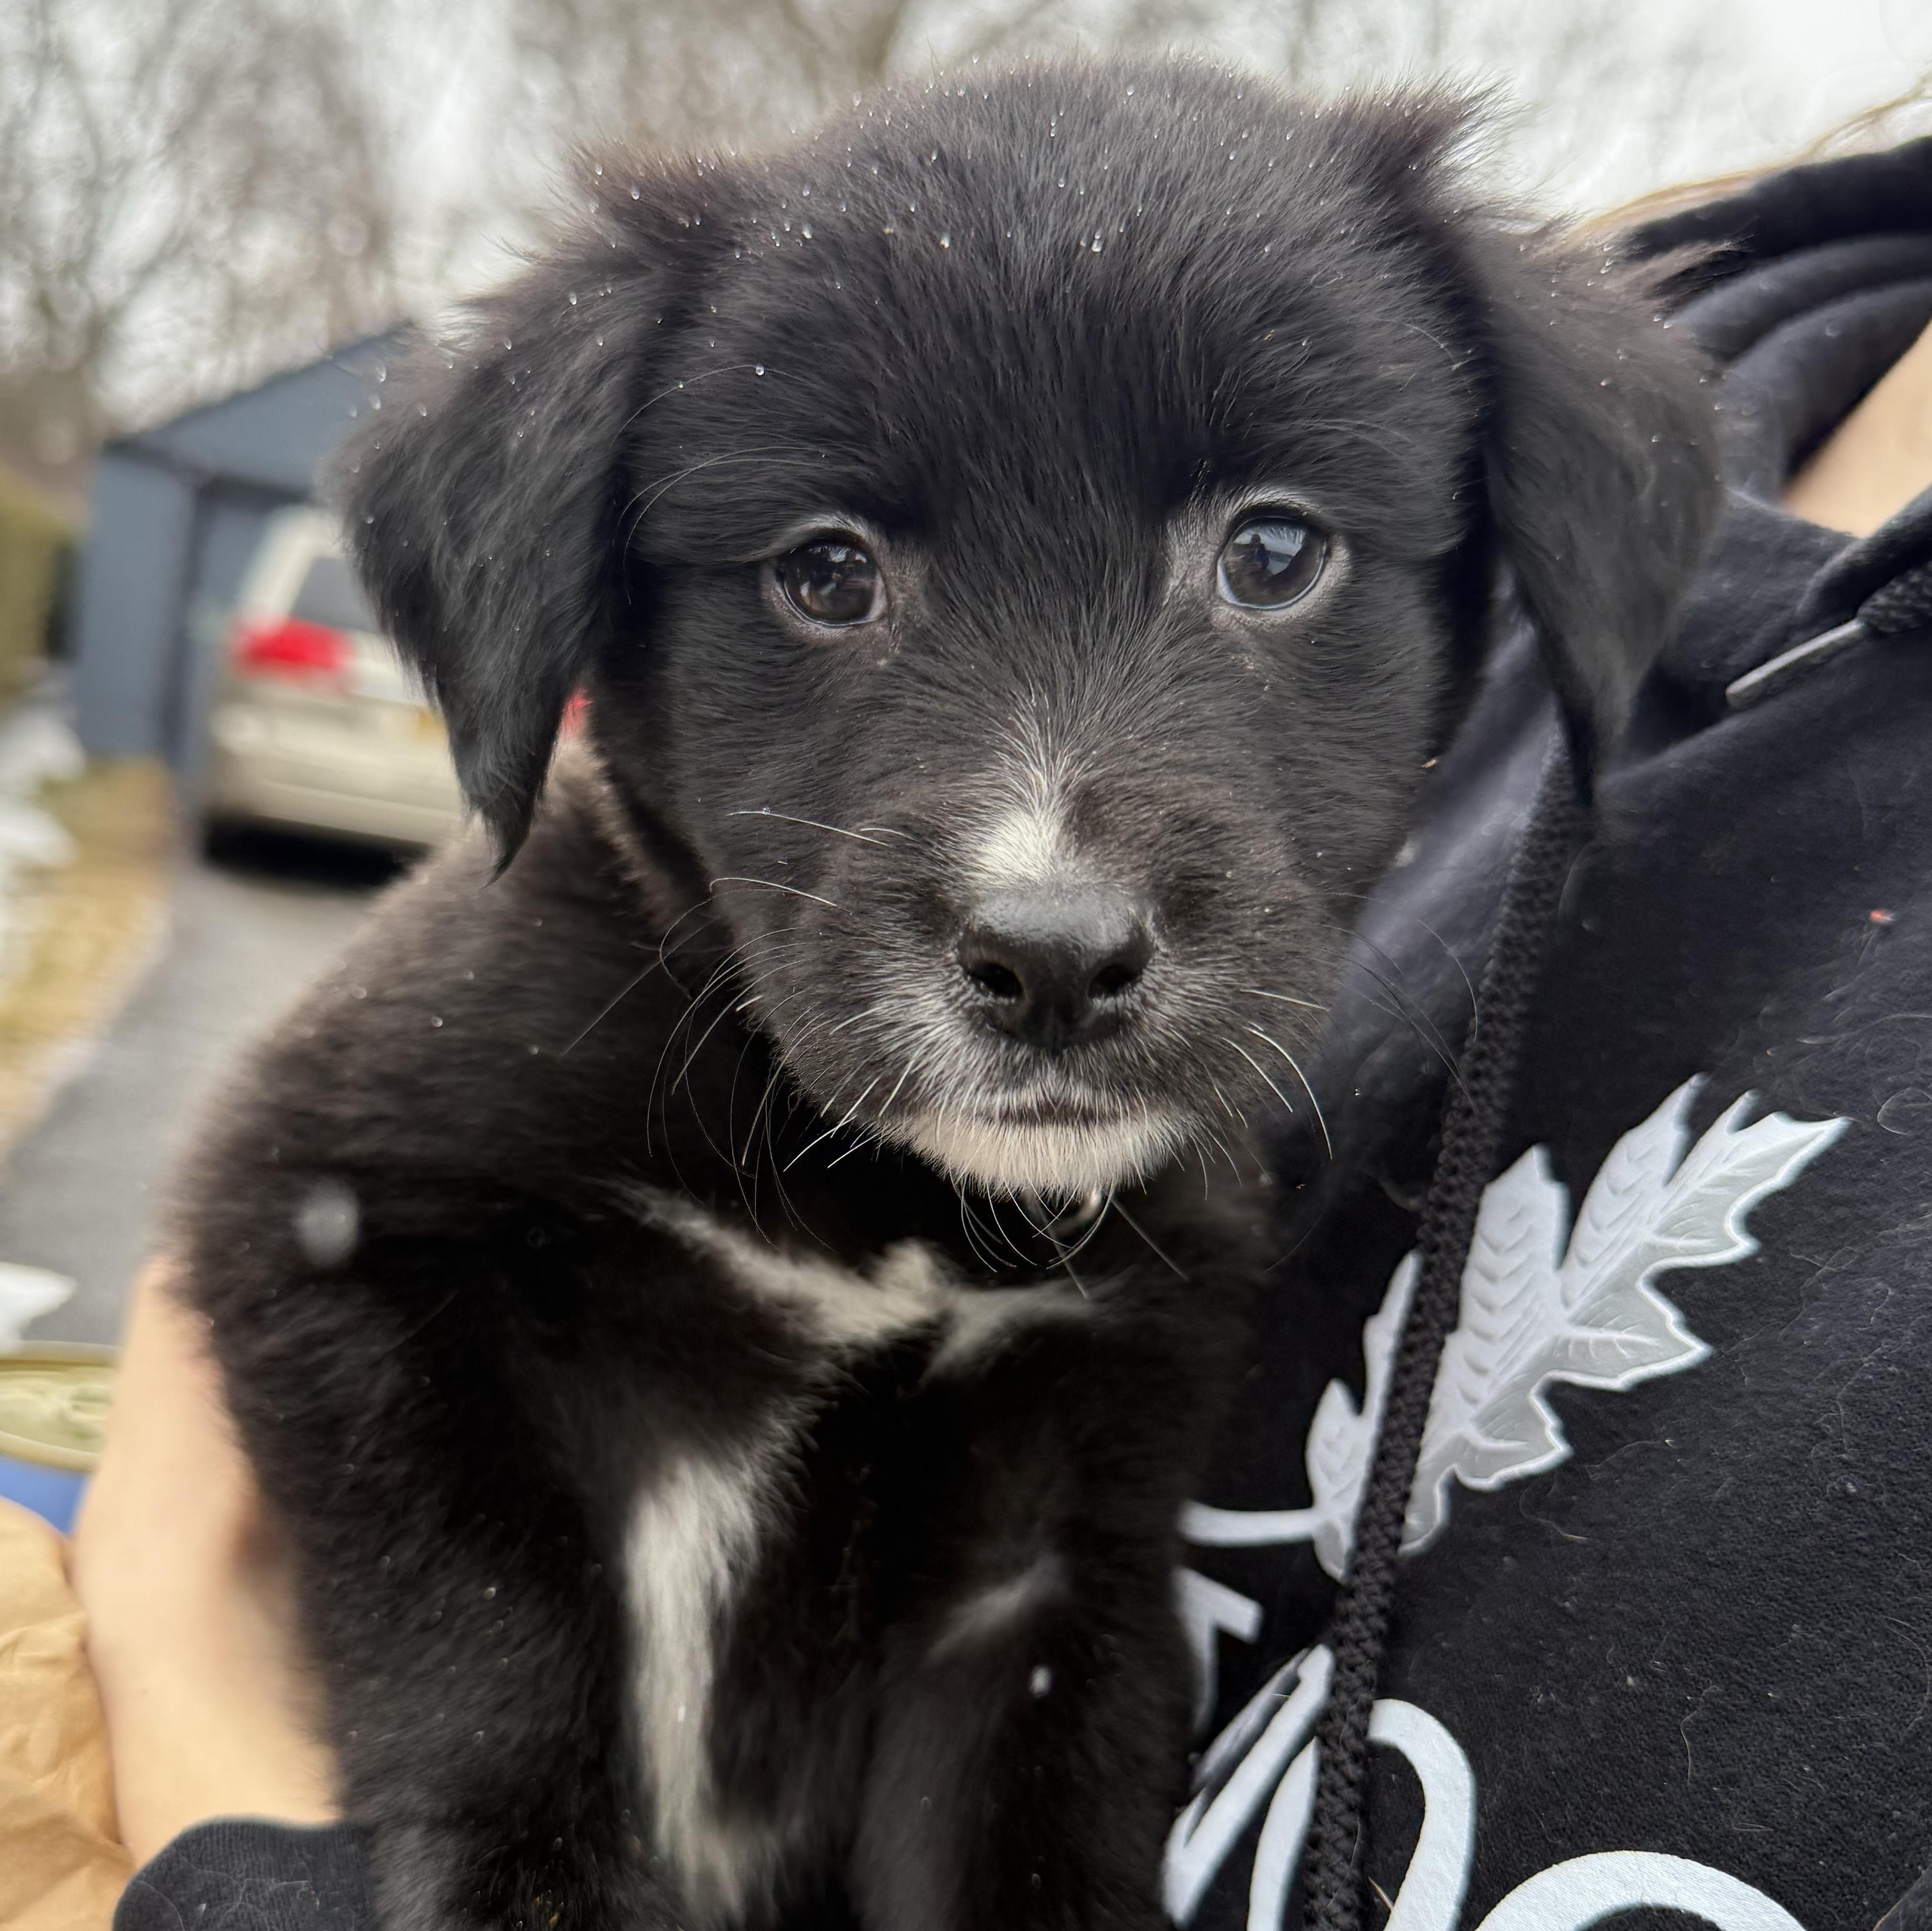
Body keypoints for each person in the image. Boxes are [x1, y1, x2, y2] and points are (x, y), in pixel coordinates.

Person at [73, 121, 1932, 1931]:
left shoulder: (1517, 402)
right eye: (827, 574)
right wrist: (502, 1810)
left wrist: (218, 1779)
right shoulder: (534, 1023)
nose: (1047, 887)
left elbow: (1042, 1635)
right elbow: (304, 1240)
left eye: (1273, 555)